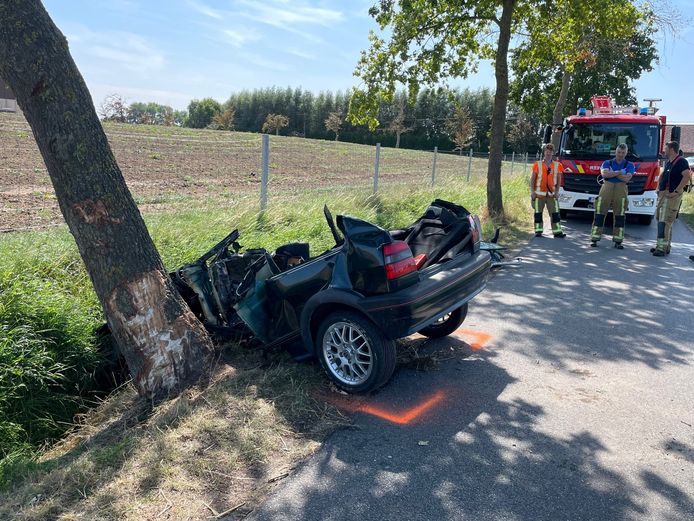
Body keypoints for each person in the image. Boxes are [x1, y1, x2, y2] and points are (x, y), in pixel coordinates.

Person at [589, 143, 634, 249]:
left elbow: (627, 179)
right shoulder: (607, 162)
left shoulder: (630, 165)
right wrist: (620, 173)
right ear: (616, 152)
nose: (620, 154)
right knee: (600, 213)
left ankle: (618, 241)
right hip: (607, 188)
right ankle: (595, 238)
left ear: (626, 153)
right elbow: (604, 174)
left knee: (620, 215)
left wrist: (613, 173)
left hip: (621, 189)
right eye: (619, 152)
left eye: (623, 153)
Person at [651, 141, 691, 256]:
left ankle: (661, 248)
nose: (665, 150)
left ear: (672, 149)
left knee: (665, 221)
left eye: (666, 148)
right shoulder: (669, 162)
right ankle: (664, 246)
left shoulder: (681, 162)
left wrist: (677, 191)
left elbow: (687, 176)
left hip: (671, 196)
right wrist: (659, 189)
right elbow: (663, 176)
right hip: (664, 195)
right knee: (661, 219)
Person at [530, 143, 566, 238]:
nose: (548, 153)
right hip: (539, 195)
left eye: (550, 151)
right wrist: (532, 192)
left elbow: (559, 180)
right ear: (544, 152)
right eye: (547, 151)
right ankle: (538, 231)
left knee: (555, 214)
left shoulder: (558, 165)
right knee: (538, 213)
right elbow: (532, 179)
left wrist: (557, 192)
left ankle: (557, 231)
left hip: (552, 194)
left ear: (553, 153)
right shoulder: (537, 164)